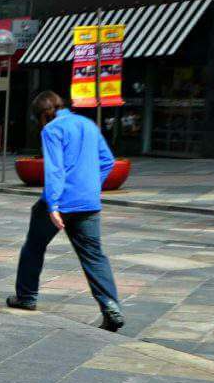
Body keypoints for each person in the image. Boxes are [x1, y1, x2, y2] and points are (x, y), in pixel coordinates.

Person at [7, 91, 125, 332]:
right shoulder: (87, 124)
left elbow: (56, 171)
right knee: (94, 255)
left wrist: (53, 205)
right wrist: (91, 186)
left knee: (34, 246)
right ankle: (110, 305)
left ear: (40, 115)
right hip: (88, 202)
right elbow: (107, 162)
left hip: (61, 201)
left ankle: (27, 296)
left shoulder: (51, 130)